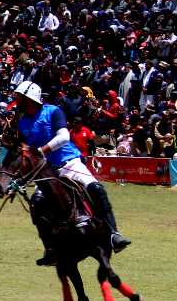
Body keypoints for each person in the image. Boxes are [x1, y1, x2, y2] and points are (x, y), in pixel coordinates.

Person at [13, 80, 131, 265]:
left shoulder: (53, 111)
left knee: (97, 188)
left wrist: (42, 151)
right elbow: (26, 150)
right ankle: (50, 249)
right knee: (36, 203)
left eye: (19, 97)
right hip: (46, 171)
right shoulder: (23, 122)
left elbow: (63, 137)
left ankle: (113, 234)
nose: (16, 100)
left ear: (29, 98)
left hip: (69, 162)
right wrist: (17, 178)